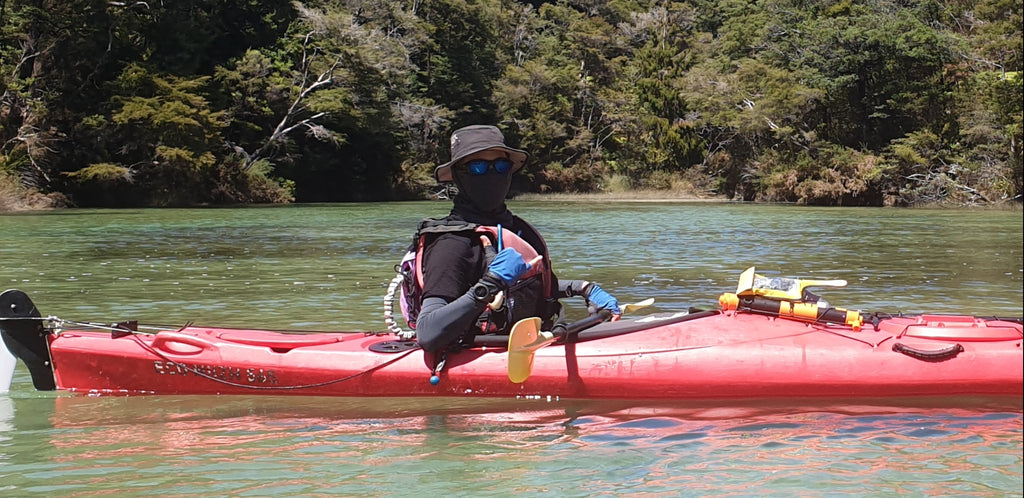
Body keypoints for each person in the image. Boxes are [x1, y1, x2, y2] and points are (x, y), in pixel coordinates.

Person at [411, 124, 620, 353]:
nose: (492, 175)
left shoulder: (519, 229)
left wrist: (582, 288)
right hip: (483, 356)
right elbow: (428, 333)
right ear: (459, 176)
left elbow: (530, 287)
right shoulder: (452, 243)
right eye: (478, 167)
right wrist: (490, 285)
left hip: (538, 341)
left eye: (501, 166)